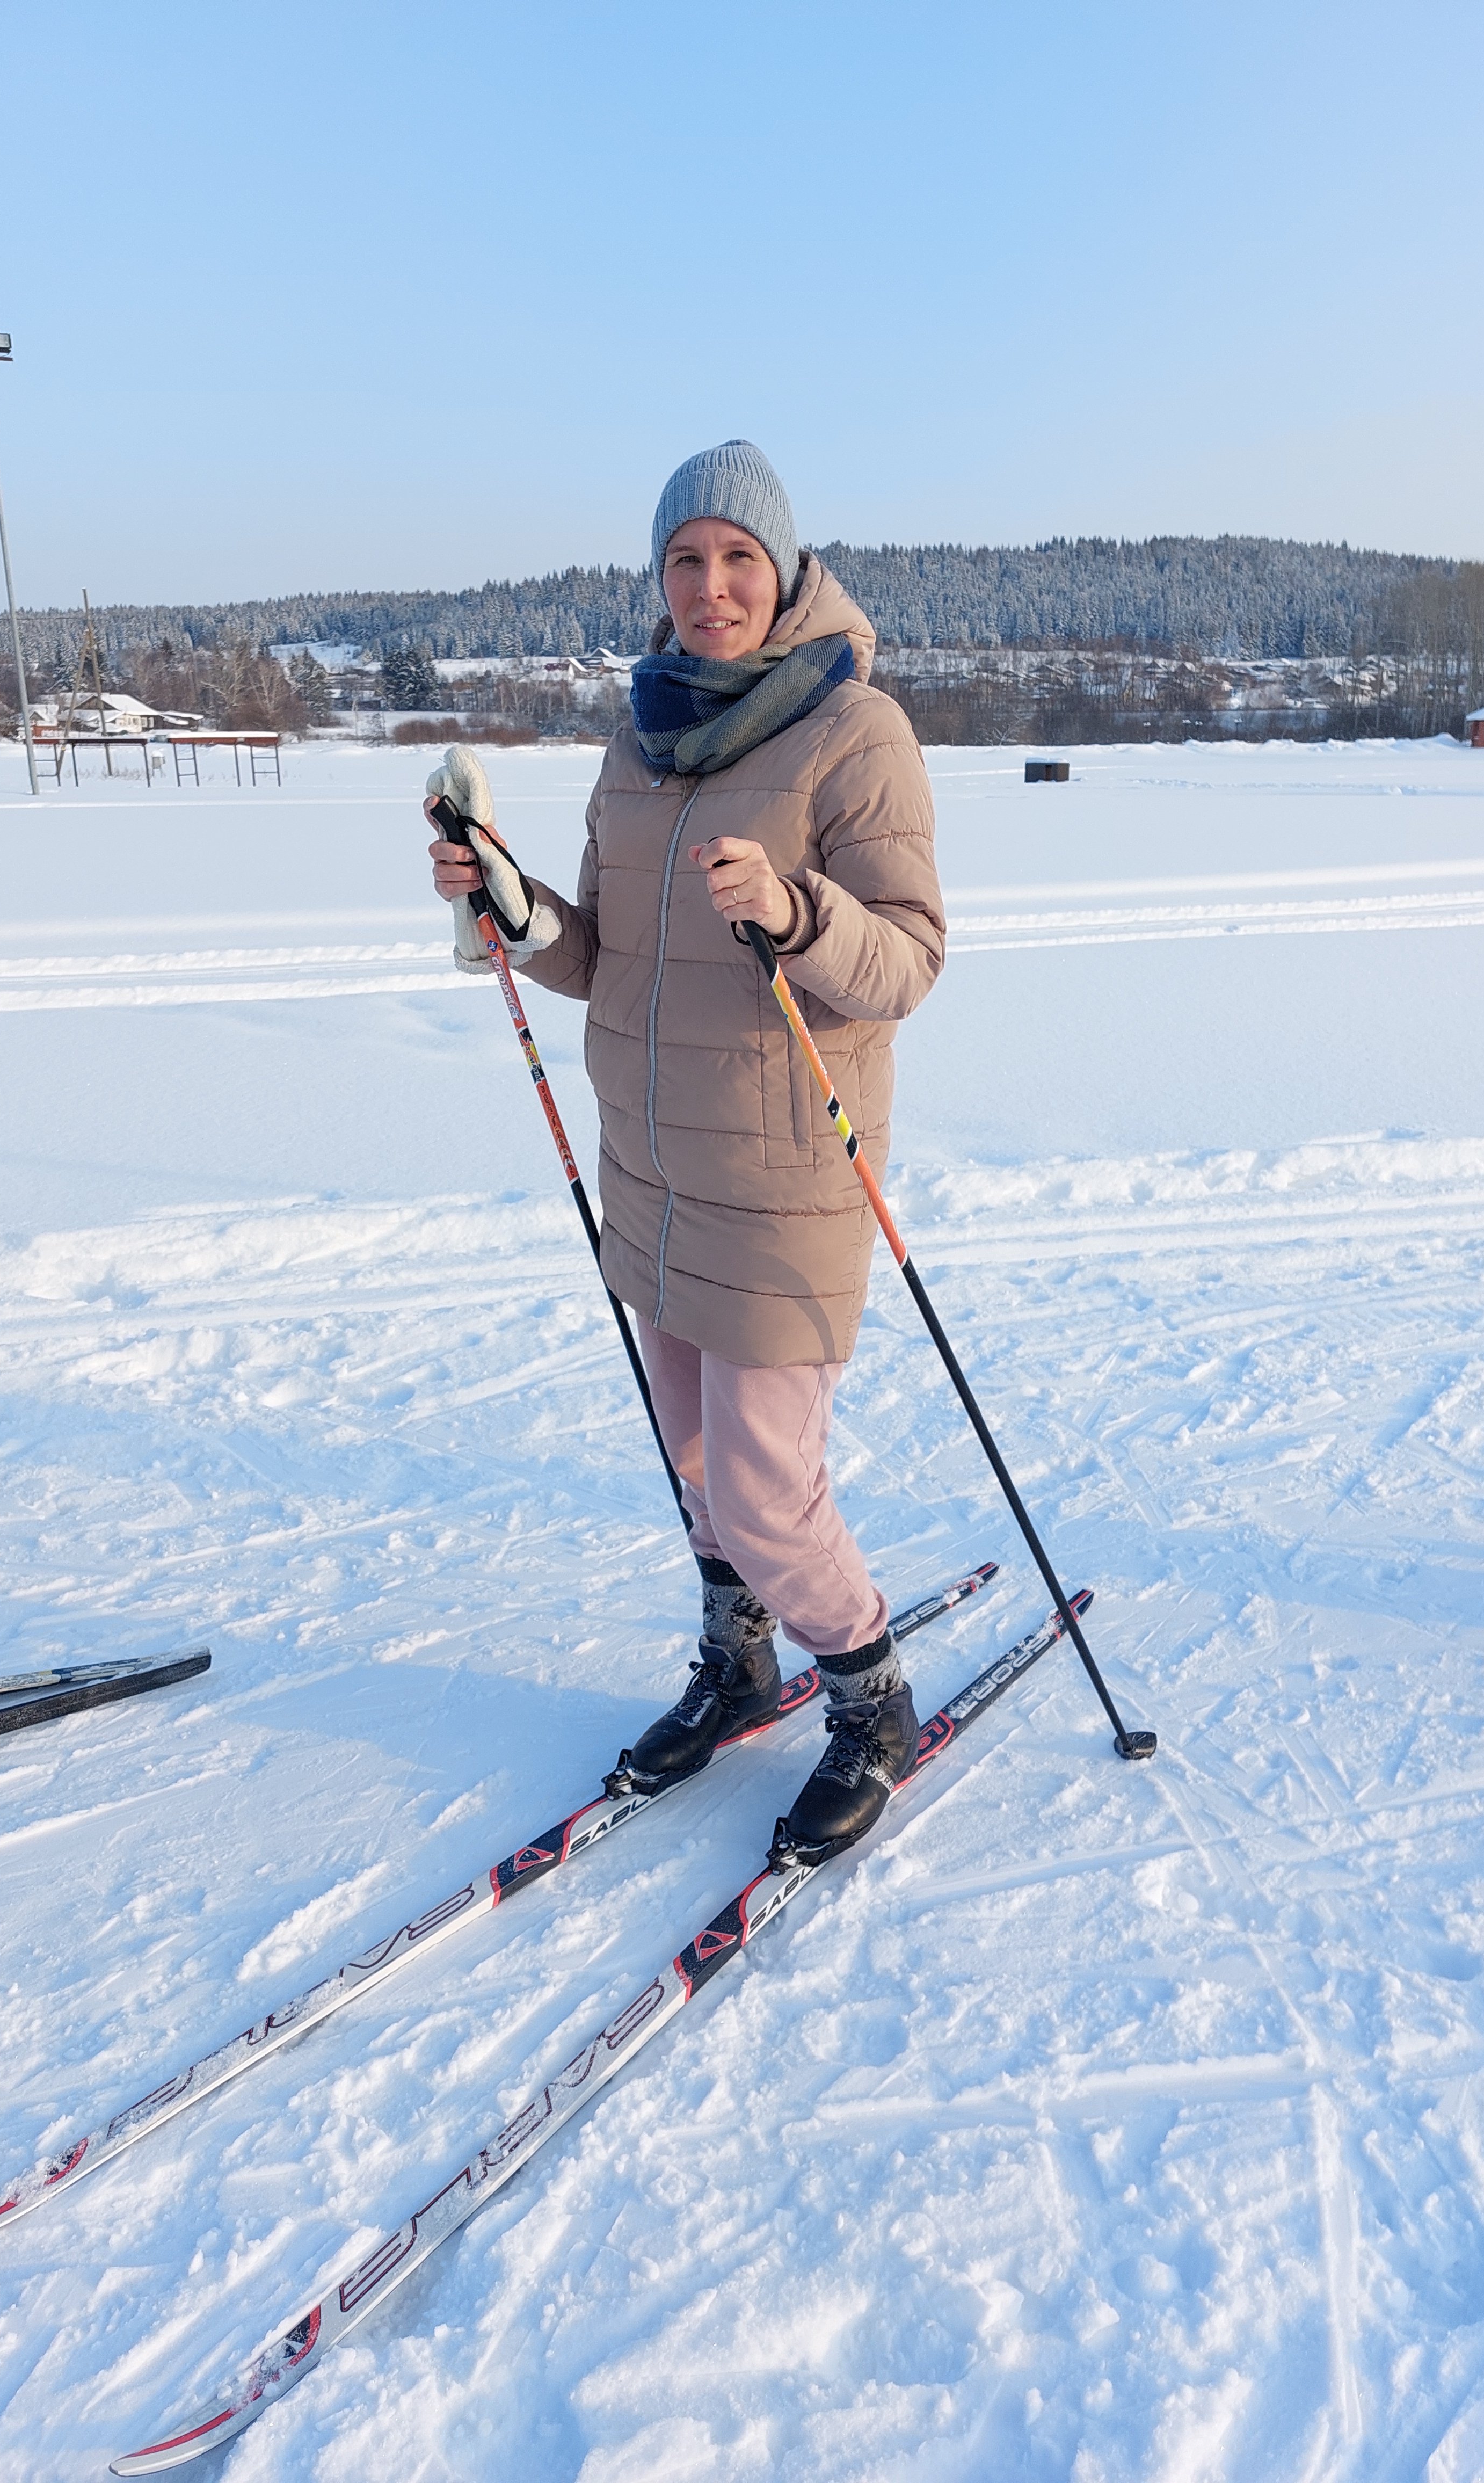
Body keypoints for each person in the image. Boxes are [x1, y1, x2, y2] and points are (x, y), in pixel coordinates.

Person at [427, 440, 944, 1861]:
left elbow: (905, 963)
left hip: (784, 1177)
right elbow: (604, 957)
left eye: (736, 558)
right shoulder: (639, 738)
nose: (710, 586)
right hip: (651, 1169)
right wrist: (513, 902)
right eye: (684, 561)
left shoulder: (856, 732)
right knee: (696, 1460)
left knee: (767, 1490)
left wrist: (794, 910)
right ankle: (739, 1660)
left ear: (784, 570)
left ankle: (872, 1698)